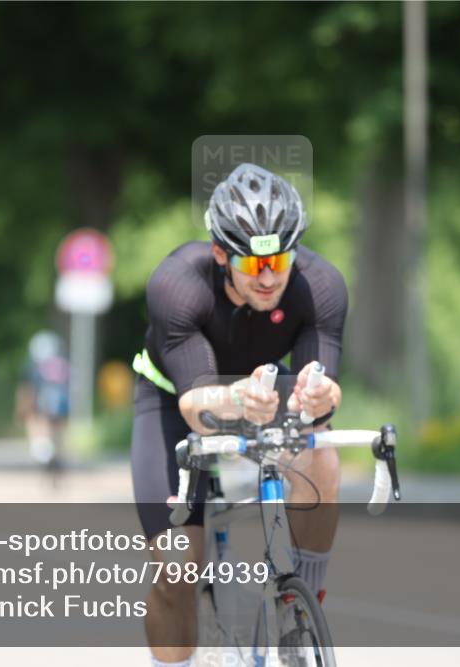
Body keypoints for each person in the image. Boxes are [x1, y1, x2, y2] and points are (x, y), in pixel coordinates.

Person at [130, 163, 346, 666]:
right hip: (173, 399)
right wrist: (236, 399)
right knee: (178, 569)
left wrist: (319, 400)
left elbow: (325, 385)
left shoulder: (322, 286)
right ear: (221, 254)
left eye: (281, 260)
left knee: (324, 454)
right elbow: (194, 403)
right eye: (253, 266)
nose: (269, 277)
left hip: (267, 388)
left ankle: (303, 604)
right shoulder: (178, 284)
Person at [16, 330, 70, 468]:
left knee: (35, 419)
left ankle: (40, 446)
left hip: (41, 401)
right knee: (58, 426)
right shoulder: (63, 364)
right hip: (61, 404)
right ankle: (56, 451)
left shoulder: (32, 366)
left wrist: (21, 409)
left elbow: (27, 389)